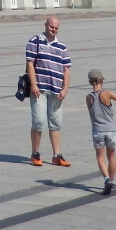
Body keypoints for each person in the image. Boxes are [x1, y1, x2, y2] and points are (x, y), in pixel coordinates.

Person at [24, 15, 71, 167]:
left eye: (56, 28)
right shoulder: (34, 41)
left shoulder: (62, 47)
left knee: (56, 123)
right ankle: (35, 153)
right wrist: (33, 85)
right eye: (51, 26)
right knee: (38, 121)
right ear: (45, 25)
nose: (54, 30)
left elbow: (66, 70)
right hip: (39, 89)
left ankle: (57, 155)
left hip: (56, 90)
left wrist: (65, 89)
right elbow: (30, 64)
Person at [85, 70, 116, 195]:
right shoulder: (107, 94)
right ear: (101, 81)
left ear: (90, 82)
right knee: (112, 157)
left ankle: (106, 179)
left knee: (100, 157)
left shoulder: (88, 98)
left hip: (97, 130)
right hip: (110, 129)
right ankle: (112, 180)